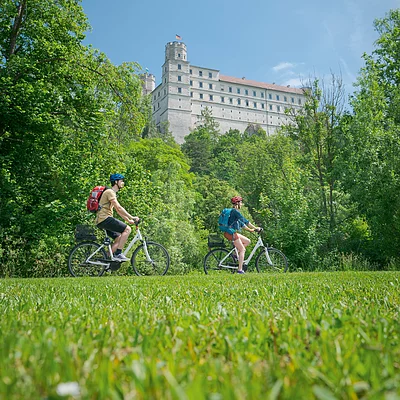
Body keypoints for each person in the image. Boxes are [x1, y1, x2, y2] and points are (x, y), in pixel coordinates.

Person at [95, 173, 139, 262]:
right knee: (127, 230)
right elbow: (119, 207)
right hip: (105, 219)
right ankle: (118, 253)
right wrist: (132, 217)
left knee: (119, 237)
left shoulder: (111, 193)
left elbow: (118, 211)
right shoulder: (110, 192)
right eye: (121, 181)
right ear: (116, 182)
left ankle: (106, 258)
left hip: (102, 220)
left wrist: (128, 220)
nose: (123, 183)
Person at [222, 196, 261, 274]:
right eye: (241, 202)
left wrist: (251, 230)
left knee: (247, 241)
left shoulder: (234, 212)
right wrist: (256, 228)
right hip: (230, 233)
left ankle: (235, 255)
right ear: (237, 203)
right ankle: (240, 270)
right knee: (242, 249)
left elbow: (242, 224)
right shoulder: (235, 212)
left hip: (231, 232)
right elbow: (245, 221)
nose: (242, 204)